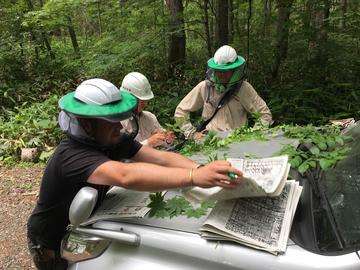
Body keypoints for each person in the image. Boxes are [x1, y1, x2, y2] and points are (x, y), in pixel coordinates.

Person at [27, 78, 242, 270]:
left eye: (120, 118)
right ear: (86, 124)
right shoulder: (72, 155)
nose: (119, 126)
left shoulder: (108, 139)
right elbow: (125, 175)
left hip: (81, 224)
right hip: (50, 239)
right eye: (111, 120)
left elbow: (160, 158)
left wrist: (198, 168)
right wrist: (193, 178)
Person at [174, 45, 273, 140]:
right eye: (218, 70)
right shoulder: (205, 87)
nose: (221, 74)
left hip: (237, 140)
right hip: (209, 140)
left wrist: (254, 136)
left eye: (225, 71)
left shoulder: (244, 88)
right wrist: (192, 134)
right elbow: (181, 111)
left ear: (234, 70)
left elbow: (264, 115)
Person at [120, 72, 174, 148]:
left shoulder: (150, 117)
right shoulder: (118, 122)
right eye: (141, 100)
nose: (144, 103)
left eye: (145, 100)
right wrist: (148, 142)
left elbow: (163, 143)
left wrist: (167, 140)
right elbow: (121, 152)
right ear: (129, 98)